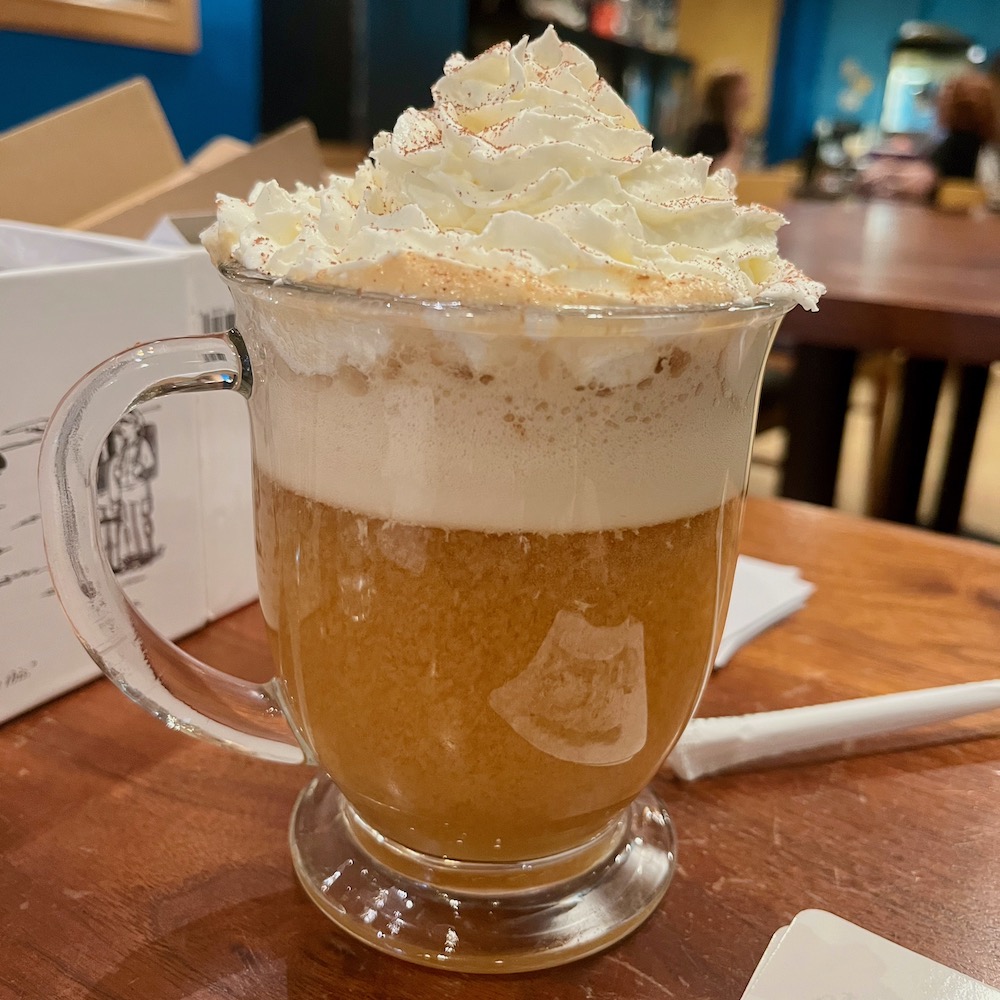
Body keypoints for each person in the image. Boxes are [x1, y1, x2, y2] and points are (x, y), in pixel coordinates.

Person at [686, 70, 751, 173]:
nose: (748, 93)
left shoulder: (735, 130)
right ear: (725, 94)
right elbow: (702, 171)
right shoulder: (706, 133)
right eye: (741, 88)